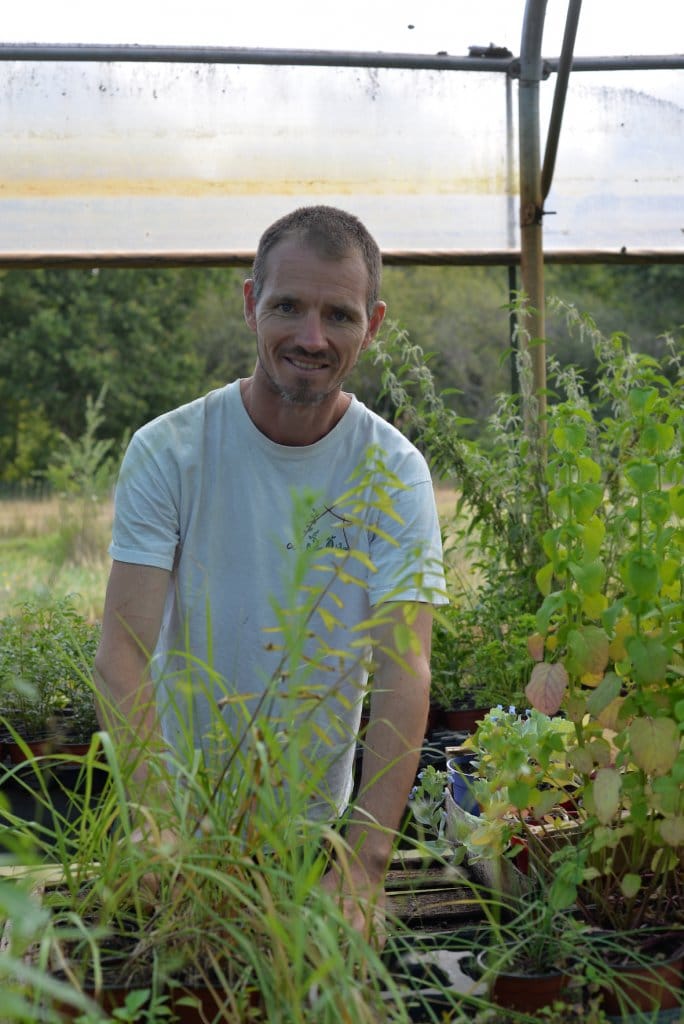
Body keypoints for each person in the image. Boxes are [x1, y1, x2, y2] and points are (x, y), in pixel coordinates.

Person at [94, 204, 447, 939]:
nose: (311, 338)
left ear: (373, 326)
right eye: (288, 306)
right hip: (181, 815)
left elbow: (404, 665)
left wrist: (365, 863)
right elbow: (123, 648)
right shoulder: (171, 451)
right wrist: (156, 818)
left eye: (339, 315)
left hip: (314, 828)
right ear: (251, 302)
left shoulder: (392, 469)